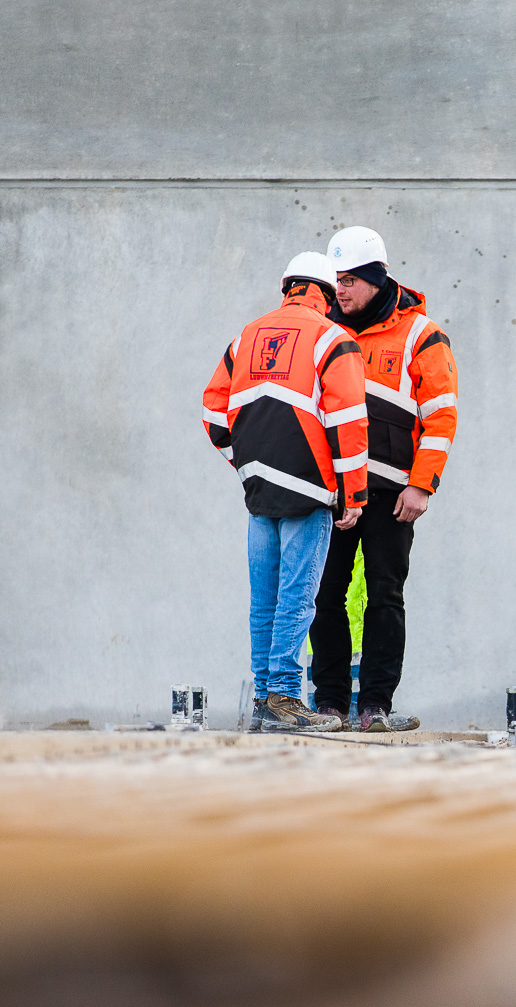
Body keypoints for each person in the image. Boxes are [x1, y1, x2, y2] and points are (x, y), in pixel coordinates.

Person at [202, 251, 368, 732]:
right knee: (297, 598)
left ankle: (263, 701)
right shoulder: (333, 338)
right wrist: (353, 495)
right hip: (310, 490)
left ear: (287, 287)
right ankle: (285, 699)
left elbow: (214, 415)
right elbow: (349, 423)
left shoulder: (246, 336)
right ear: (325, 292)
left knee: (265, 600)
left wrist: (248, 465)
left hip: (260, 491)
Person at [306, 226, 459, 732]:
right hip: (332, 492)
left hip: (393, 494)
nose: (341, 290)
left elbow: (441, 416)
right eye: (336, 281)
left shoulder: (421, 333)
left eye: (349, 280)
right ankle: (327, 702)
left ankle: (375, 705)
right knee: (325, 596)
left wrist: (422, 484)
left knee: (385, 596)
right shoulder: (324, 329)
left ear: (376, 278)